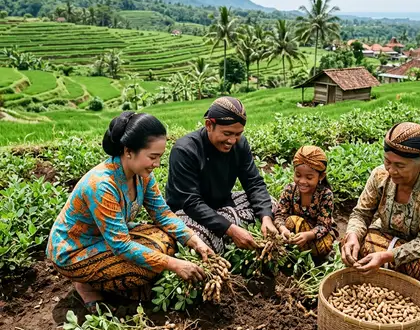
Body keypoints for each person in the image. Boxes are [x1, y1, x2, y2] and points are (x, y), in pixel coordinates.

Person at [47, 111, 213, 311]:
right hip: (75, 249)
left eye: (159, 157)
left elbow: (162, 214)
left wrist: (196, 242)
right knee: (143, 269)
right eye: (152, 157)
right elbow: (121, 246)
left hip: (105, 238)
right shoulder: (102, 185)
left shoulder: (142, 175)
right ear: (128, 151)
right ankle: (86, 285)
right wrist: (175, 265)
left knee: (168, 242)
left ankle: (110, 282)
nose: (157, 164)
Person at [342, 122, 420, 284]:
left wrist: (386, 256)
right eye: (387, 161)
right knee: (350, 247)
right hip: (387, 235)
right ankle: (385, 272)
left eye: (400, 165)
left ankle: (384, 270)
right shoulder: (379, 176)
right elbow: (361, 214)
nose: (391, 170)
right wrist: (353, 236)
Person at [166, 97, 276, 253]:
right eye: (227, 133)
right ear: (209, 125)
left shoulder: (240, 144)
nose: (232, 140)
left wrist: (266, 218)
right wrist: (230, 229)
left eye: (238, 134)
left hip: (222, 204)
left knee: (270, 204)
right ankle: (230, 228)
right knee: (199, 237)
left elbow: (254, 183)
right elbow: (191, 202)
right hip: (187, 213)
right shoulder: (185, 150)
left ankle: (230, 226)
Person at [274, 146, 338, 258]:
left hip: (316, 236)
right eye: (298, 175)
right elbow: (280, 215)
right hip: (293, 234)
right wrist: (283, 229)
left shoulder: (325, 195)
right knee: (291, 221)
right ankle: (293, 252)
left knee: (322, 248)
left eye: (309, 177)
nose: (302, 181)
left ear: (321, 176)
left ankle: (308, 255)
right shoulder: (290, 189)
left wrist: (308, 235)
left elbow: (324, 225)